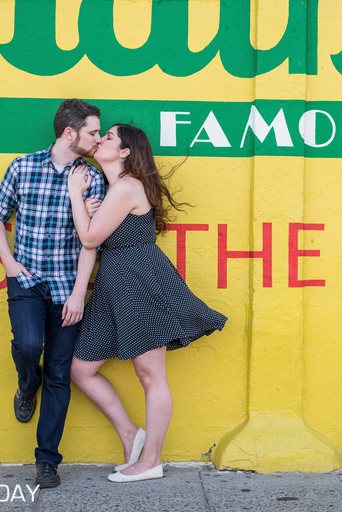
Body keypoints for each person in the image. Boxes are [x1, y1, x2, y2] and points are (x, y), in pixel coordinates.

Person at [66, 124, 227, 483]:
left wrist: (76, 195)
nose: (100, 140)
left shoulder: (125, 187)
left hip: (140, 283)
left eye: (108, 137)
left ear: (124, 152)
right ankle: (130, 435)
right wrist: (90, 206)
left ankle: (151, 460)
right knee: (81, 369)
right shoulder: (113, 190)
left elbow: (90, 238)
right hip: (112, 287)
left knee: (151, 375)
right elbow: (95, 236)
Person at [0, 98, 106, 488]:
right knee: (27, 346)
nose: (97, 138)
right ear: (70, 133)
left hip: (67, 289)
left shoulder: (91, 177)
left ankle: (47, 461)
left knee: (59, 373)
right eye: (92, 132)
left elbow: (92, 242)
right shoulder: (22, 167)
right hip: (27, 279)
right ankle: (26, 382)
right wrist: (8, 263)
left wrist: (77, 294)